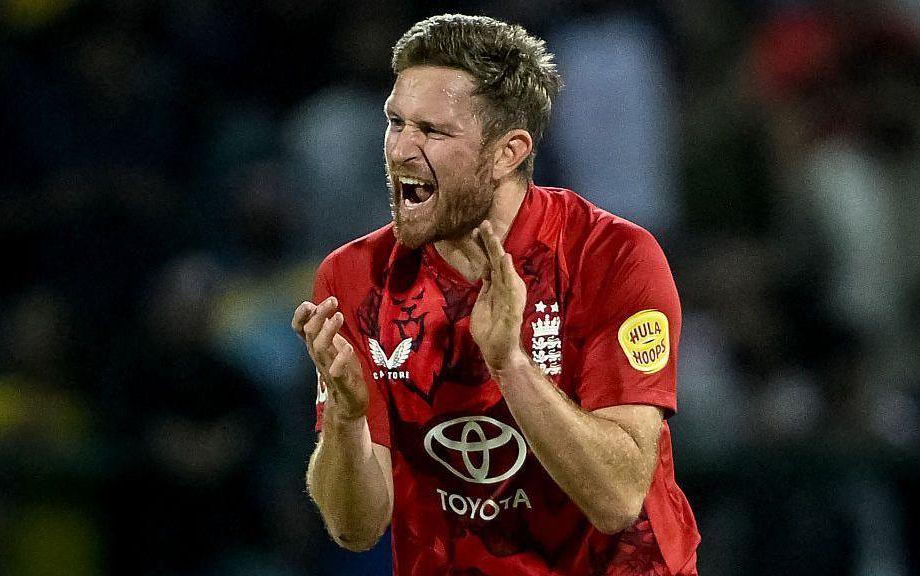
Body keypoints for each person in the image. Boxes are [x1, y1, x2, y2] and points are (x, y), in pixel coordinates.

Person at [292, 14, 700, 575]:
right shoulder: (356, 280)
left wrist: (509, 364)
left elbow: (617, 499)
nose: (400, 150)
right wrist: (347, 418)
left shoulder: (612, 259)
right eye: (395, 122)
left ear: (508, 153)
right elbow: (355, 528)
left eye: (432, 131)